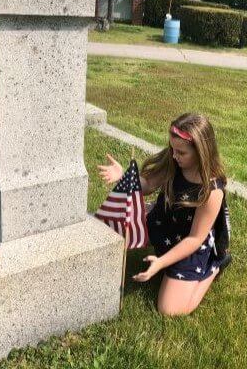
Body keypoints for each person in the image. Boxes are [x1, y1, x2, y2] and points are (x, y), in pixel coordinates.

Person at [98, 113, 229, 316]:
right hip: (163, 223)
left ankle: (214, 267)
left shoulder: (211, 190)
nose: (175, 155)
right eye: (172, 149)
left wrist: (160, 263)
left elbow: (194, 239)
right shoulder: (174, 162)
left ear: (201, 152)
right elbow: (149, 184)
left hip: (188, 242)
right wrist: (125, 176)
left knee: (169, 309)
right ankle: (162, 251)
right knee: (115, 226)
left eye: (181, 152)